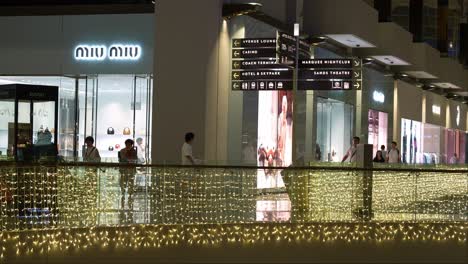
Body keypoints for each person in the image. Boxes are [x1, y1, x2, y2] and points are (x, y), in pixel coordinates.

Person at [118, 139, 138, 224]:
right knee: (123, 182)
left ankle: (130, 194)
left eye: (129, 144)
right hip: (124, 169)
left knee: (130, 182)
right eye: (127, 144)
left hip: (130, 170)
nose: (128, 145)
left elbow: (135, 160)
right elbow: (121, 159)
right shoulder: (122, 151)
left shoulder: (133, 151)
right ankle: (123, 193)